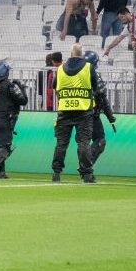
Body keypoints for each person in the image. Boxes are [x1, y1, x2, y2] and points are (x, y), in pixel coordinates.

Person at [52, 44, 98, 183]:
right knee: (83, 143)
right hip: (84, 112)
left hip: (64, 111)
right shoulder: (88, 67)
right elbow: (95, 85)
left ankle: (56, 173)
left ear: (71, 54)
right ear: (82, 54)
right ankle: (87, 174)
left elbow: (55, 86)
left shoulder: (59, 69)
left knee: (61, 144)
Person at [0, 61, 27, 179]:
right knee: (6, 146)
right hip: (5, 120)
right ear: (6, 72)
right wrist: (21, 87)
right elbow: (23, 100)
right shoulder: (10, 86)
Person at [83, 51, 116, 166]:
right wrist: (110, 117)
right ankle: (86, 166)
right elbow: (102, 99)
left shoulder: (76, 75)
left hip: (76, 113)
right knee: (100, 140)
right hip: (92, 115)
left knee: (83, 142)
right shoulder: (95, 76)